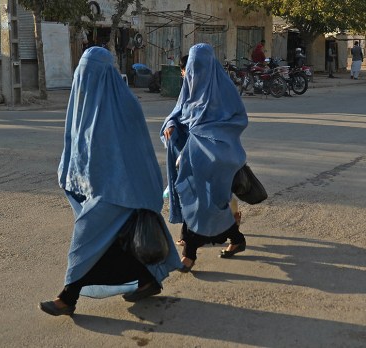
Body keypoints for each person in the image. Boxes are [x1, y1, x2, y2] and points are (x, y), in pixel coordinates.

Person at [39, 47, 181, 316]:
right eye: (81, 72)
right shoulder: (83, 103)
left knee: (87, 237)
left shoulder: (124, 104)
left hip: (122, 189)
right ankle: (147, 278)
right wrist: (71, 174)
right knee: (115, 243)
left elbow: (137, 153)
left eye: (90, 72)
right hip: (101, 187)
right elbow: (77, 147)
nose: (84, 78)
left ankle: (68, 297)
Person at [160, 43, 248, 272]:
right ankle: (234, 239)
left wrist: (197, 144)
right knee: (199, 203)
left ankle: (190, 253)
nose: (194, 73)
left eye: (199, 67)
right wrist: (171, 124)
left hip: (218, 159)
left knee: (208, 205)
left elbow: (236, 121)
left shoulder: (224, 90)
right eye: (192, 67)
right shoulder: (189, 87)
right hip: (191, 159)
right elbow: (178, 112)